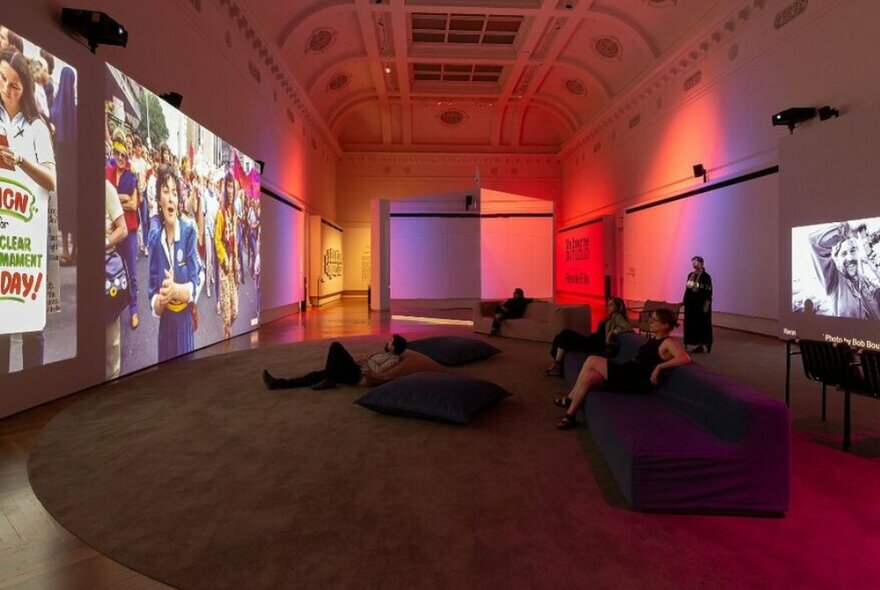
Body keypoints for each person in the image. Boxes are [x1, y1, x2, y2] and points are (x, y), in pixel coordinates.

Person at [0, 47, 56, 373]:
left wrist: (20, 160)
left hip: (28, 237)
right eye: (2, 80)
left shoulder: (37, 128)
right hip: (4, 234)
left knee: (32, 328)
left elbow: (51, 179)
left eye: (15, 85)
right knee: (3, 326)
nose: (7, 89)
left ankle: (35, 390)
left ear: (26, 89)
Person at [554, 307, 691, 430]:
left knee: (592, 360)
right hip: (629, 372)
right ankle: (570, 415)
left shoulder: (668, 342)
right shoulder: (654, 339)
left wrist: (660, 367)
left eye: (654, 320)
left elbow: (685, 358)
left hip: (637, 379)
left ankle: (570, 398)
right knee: (590, 375)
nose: (650, 322)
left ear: (665, 325)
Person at [147, 164, 203, 363]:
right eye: (165, 191)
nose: (170, 198)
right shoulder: (154, 240)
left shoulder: (188, 232)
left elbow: (196, 283)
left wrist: (175, 291)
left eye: (174, 193)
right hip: (166, 327)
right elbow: (152, 294)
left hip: (184, 323)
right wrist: (161, 302)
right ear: (159, 200)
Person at [262, 334, 409, 391]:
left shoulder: (393, 359)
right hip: (357, 368)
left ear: (394, 347)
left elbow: (380, 371)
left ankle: (330, 380)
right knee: (315, 375)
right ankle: (279, 383)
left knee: (336, 346)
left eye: (391, 341)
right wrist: (366, 359)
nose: (388, 342)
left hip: (359, 375)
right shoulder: (384, 353)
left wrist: (368, 361)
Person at [544, 297, 631, 376]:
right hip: (592, 341)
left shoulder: (617, 316)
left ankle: (557, 366)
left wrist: (614, 332)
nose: (608, 307)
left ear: (618, 307)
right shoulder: (610, 318)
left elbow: (627, 326)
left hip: (596, 344)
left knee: (565, 334)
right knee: (561, 336)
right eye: (608, 305)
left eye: (611, 305)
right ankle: (558, 364)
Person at [809, 222, 880, 319]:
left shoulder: (865, 281)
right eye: (844, 254)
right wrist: (848, 229)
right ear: (836, 259)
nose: (850, 258)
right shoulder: (834, 282)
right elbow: (814, 242)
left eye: (853, 250)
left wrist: (877, 271)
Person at [106, 129, 140, 330]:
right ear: (114, 153)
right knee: (112, 272)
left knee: (132, 273)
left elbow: (134, 205)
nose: (120, 157)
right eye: (117, 153)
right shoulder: (106, 172)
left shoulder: (132, 175)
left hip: (130, 230)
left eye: (124, 154)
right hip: (112, 230)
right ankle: (116, 307)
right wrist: (122, 198)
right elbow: (104, 196)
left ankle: (134, 309)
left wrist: (114, 199)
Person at [105, 180, 128, 380]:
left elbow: (123, 228)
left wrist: (102, 242)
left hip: (106, 270)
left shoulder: (107, 189)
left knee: (110, 344)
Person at [683, 256, 713, 353]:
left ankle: (704, 343)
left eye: (696, 262)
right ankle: (690, 344)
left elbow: (709, 291)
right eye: (693, 262)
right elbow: (688, 289)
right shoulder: (690, 275)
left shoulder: (706, 276)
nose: (694, 264)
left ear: (701, 263)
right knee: (690, 323)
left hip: (701, 305)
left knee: (702, 324)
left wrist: (706, 304)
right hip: (691, 304)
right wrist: (684, 301)